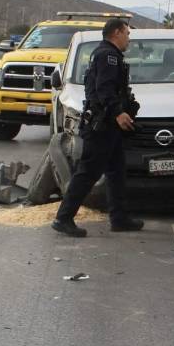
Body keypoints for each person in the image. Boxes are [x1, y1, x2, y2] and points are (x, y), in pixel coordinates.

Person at [52, 19, 142, 237]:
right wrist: (118, 112)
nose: (129, 38)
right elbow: (104, 89)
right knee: (87, 173)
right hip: (101, 126)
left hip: (108, 126)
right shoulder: (107, 56)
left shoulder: (107, 54)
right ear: (117, 33)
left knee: (116, 172)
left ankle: (119, 218)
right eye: (127, 33)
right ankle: (63, 218)